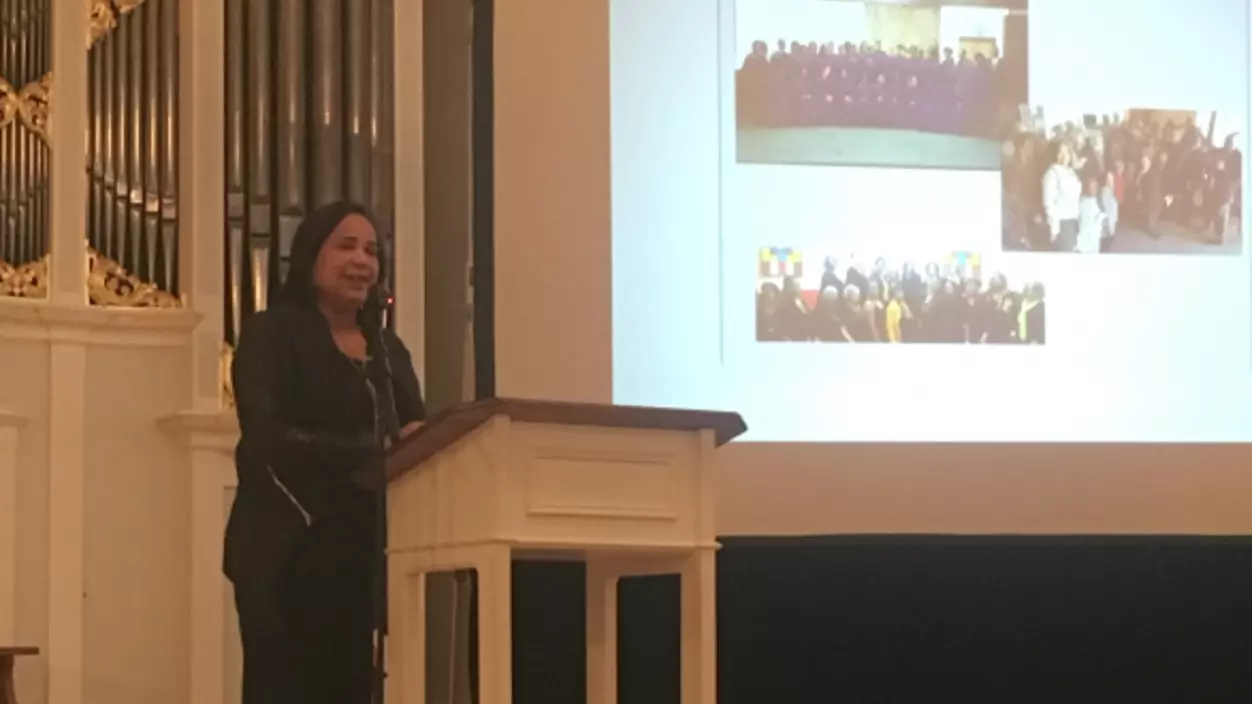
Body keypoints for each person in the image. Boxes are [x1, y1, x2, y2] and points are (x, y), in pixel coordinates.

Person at [225, 201, 426, 704]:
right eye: (347, 245)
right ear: (310, 255)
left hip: (368, 551)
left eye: (372, 250)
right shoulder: (271, 333)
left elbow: (416, 428)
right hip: (290, 549)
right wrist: (371, 453)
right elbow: (268, 434)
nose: (363, 260)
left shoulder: (387, 348)